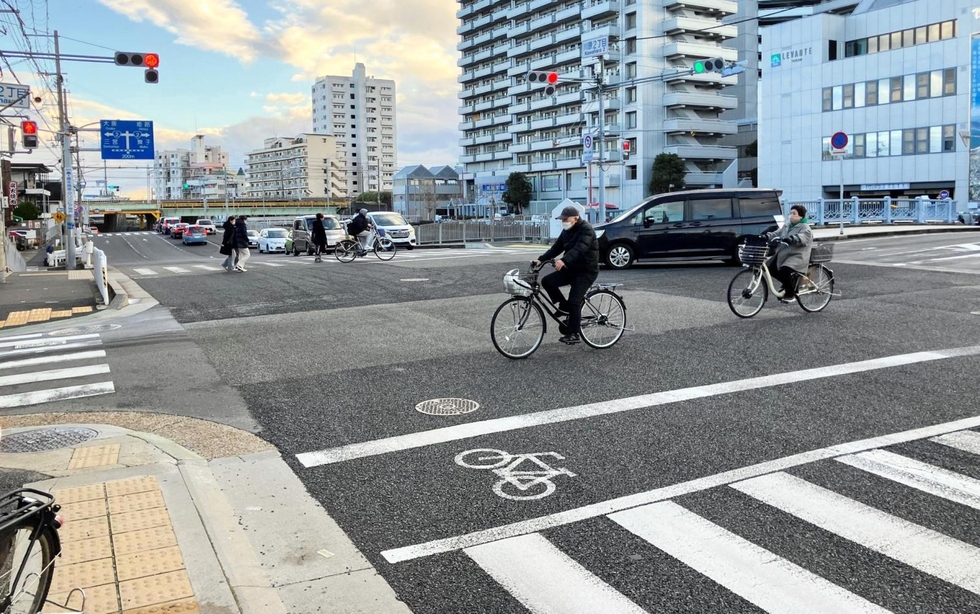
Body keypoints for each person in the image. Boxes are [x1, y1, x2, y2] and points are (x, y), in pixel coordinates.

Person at [532, 205, 600, 345]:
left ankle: (574, 333)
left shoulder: (586, 229)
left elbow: (580, 249)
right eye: (562, 219)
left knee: (574, 301)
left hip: (586, 271)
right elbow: (556, 248)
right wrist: (540, 259)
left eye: (566, 219)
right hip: (571, 269)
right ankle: (564, 307)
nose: (563, 221)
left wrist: (564, 260)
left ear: (576, 218)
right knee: (547, 281)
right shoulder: (566, 231)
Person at [762, 204, 813, 303]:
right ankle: (788, 284)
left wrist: (792, 238)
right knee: (770, 268)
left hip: (797, 255)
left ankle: (790, 293)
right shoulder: (787, 225)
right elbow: (776, 233)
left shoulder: (805, 227)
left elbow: (802, 237)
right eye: (791, 213)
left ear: (801, 216)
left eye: (794, 213)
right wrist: (765, 236)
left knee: (785, 269)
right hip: (784, 254)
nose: (791, 215)